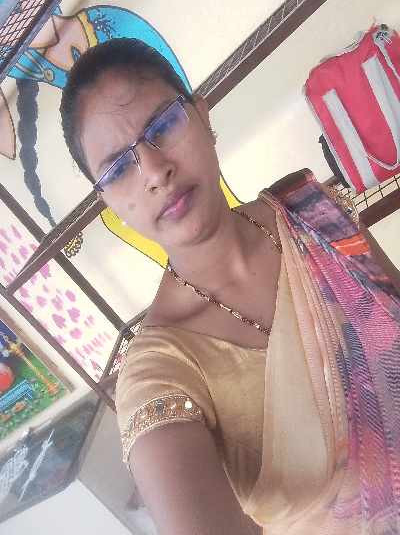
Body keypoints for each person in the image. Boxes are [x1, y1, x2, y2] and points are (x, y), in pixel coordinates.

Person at [60, 38, 400, 535]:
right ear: (108, 202)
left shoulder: (311, 212)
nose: (154, 171)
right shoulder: (160, 371)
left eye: (163, 125)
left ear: (202, 116)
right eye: (117, 168)